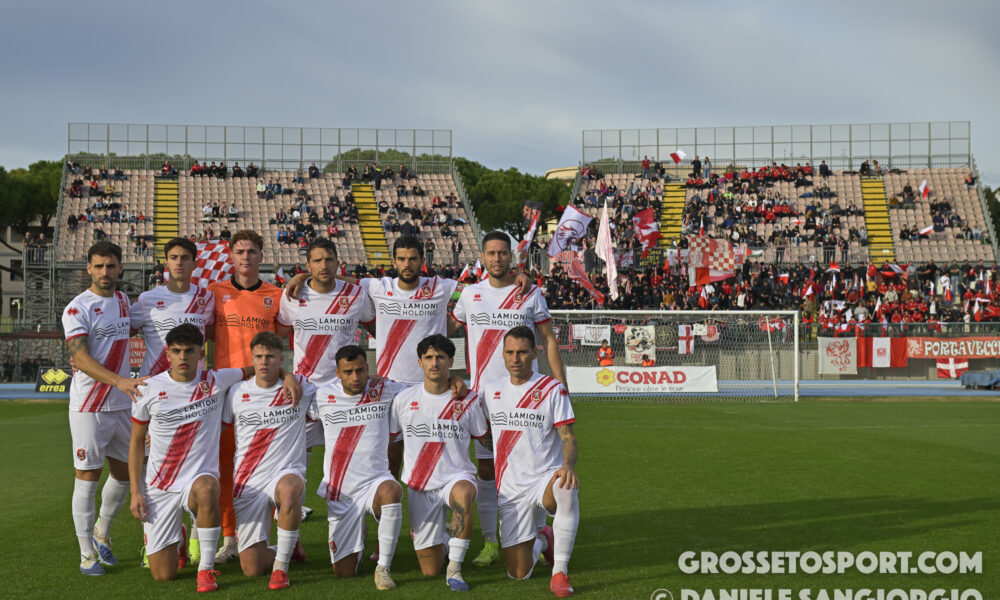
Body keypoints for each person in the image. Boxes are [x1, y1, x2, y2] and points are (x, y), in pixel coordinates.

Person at [128, 324, 300, 591]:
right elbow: (137, 441)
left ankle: (206, 570)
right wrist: (135, 491)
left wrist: (288, 375)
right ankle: (178, 537)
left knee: (208, 487)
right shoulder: (148, 388)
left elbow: (258, 368)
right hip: (160, 486)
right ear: (168, 354)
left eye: (189, 351)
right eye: (177, 351)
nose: (183, 357)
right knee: (163, 575)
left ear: (201, 353)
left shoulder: (216, 380)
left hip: (199, 479)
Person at [450, 231, 567, 567]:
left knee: (534, 465)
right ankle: (490, 541)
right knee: (487, 470)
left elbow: (549, 339)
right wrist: (448, 376)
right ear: (482, 257)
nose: (497, 258)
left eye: (503, 253)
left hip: (528, 397)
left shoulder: (530, 292)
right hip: (484, 400)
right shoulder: (470, 294)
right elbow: (445, 332)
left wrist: (561, 385)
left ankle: (540, 532)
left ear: (511, 257)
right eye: (491, 253)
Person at [275, 238, 376, 516]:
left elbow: (379, 329)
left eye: (329, 259)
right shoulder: (293, 295)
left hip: (344, 389)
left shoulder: (355, 294)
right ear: (307, 266)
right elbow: (276, 339)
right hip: (305, 387)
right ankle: (291, 509)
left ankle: (350, 508)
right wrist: (283, 374)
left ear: (337, 263)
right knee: (298, 455)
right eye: (317, 260)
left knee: (346, 451)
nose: (324, 265)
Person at [62, 241, 145, 576]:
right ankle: (86, 554)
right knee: (88, 477)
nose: (105, 272)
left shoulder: (124, 301)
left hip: (122, 405)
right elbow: (80, 357)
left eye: (110, 266)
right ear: (89, 269)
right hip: (90, 406)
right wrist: (119, 380)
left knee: (125, 473)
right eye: (98, 266)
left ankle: (101, 531)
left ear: (121, 267)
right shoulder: (77, 308)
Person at [480, 327, 579, 597]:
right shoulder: (491, 390)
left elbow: (567, 436)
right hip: (511, 487)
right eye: (510, 352)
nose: (516, 359)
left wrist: (567, 467)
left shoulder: (552, 388)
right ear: (503, 354)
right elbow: (483, 432)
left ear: (534, 354)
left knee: (566, 487)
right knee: (518, 574)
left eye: (522, 352)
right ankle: (544, 538)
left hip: (545, 478)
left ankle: (560, 573)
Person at [207, 230, 285, 562]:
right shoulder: (215, 292)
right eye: (240, 251)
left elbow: (285, 342)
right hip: (226, 393)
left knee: (266, 466)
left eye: (252, 251)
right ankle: (229, 539)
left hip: (264, 393)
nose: (246, 257)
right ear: (231, 255)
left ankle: (267, 538)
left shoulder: (276, 295)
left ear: (261, 256)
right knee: (226, 467)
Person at [389, 335, 489, 591]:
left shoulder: (468, 399)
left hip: (456, 477)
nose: (435, 363)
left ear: (451, 361)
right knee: (430, 570)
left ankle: (454, 569)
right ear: (420, 362)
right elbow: (394, 442)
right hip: (420, 484)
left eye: (441, 357)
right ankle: (445, 536)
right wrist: (391, 477)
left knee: (464, 495)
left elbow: (484, 438)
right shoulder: (403, 399)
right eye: (429, 357)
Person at [311, 345, 409, 590]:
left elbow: (424, 390)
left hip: (375, 481)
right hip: (341, 491)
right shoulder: (321, 395)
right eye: (348, 372)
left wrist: (452, 381)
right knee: (344, 572)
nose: (355, 377)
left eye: (360, 370)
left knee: (392, 491)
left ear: (368, 369)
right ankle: (359, 532)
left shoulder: (383, 389)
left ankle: (383, 568)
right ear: (337, 373)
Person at [224, 332, 313, 590]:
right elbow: (209, 425)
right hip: (248, 481)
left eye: (271, 356)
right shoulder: (236, 392)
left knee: (289, 491)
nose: (264, 361)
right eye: (259, 356)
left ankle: (280, 570)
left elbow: (341, 391)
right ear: (252, 358)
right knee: (251, 568)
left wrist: (289, 376)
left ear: (281, 358)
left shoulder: (301, 388)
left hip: (285, 472)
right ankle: (289, 544)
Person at [131, 238, 215, 377]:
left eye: (185, 258)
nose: (179, 262)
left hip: (192, 382)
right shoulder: (147, 299)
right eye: (174, 257)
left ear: (194, 264)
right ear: (166, 263)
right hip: (155, 381)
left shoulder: (207, 297)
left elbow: (210, 334)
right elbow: (123, 333)